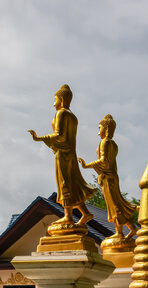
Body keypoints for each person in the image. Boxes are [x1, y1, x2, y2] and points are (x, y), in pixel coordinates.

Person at [28, 84, 97, 226]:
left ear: (61, 99)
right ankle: (85, 213)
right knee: (72, 184)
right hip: (70, 153)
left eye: (55, 99)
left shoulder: (62, 113)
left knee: (65, 184)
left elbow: (59, 136)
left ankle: (68, 216)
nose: (54, 104)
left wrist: (39, 138)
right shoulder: (73, 116)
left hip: (62, 154)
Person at [78, 114, 138, 242]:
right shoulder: (113, 143)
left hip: (108, 178)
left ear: (105, 128)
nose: (98, 132)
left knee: (114, 205)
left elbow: (104, 161)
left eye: (99, 128)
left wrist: (86, 165)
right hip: (110, 177)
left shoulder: (105, 142)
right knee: (117, 203)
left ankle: (119, 233)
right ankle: (132, 228)